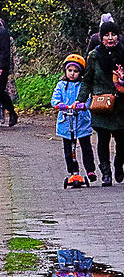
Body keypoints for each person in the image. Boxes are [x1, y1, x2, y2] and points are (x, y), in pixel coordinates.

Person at [88, 16, 124, 184]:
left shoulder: (123, 53)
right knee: (103, 140)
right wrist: (79, 101)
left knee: (121, 140)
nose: (110, 38)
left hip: (120, 105)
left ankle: (118, 164)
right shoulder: (94, 56)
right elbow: (87, 80)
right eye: (106, 35)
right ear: (101, 37)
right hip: (101, 104)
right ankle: (106, 173)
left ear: (118, 36)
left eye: (113, 34)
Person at [54, 54, 98, 187]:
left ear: (80, 72)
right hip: (66, 121)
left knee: (86, 147)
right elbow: (55, 98)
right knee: (69, 149)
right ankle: (73, 171)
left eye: (76, 71)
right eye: (70, 70)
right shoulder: (61, 85)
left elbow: (89, 98)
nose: (72, 74)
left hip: (81, 121)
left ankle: (90, 170)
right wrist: (59, 104)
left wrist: (84, 105)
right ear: (65, 71)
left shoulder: (83, 85)